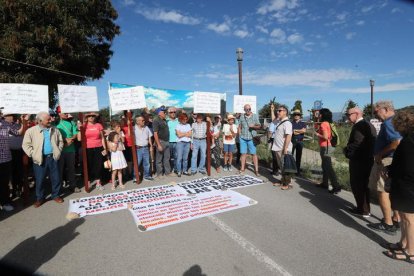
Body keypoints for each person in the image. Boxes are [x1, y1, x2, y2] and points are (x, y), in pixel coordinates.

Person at [383, 110, 414, 263]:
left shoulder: (409, 142)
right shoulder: (408, 139)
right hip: (405, 184)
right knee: (403, 216)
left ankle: (411, 252)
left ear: (401, 124)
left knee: (409, 218)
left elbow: (407, 167)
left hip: (408, 185)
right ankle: (403, 243)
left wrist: (391, 170)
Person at [367, 101, 402, 235]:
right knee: (391, 191)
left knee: (383, 191)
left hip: (386, 160)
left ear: (386, 109)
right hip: (395, 160)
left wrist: (380, 154)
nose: (375, 115)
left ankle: (387, 223)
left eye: (376, 112)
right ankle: (395, 218)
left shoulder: (388, 123)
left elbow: (396, 142)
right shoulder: (397, 121)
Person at [22, 111, 64, 208]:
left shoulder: (55, 129)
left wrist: (58, 151)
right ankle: (40, 198)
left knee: (56, 178)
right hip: (40, 159)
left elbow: (60, 141)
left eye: (50, 118)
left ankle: (56, 195)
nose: (51, 120)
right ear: (40, 121)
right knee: (40, 180)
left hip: (53, 157)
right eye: (48, 119)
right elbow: (25, 144)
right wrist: (33, 154)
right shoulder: (31, 131)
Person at [343, 107, 377, 217]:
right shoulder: (368, 124)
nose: (347, 117)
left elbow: (357, 143)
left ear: (356, 114)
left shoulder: (359, 126)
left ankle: (362, 209)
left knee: (357, 184)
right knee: (364, 184)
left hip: (359, 160)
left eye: (349, 114)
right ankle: (365, 208)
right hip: (367, 159)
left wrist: (346, 151)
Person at [0, 112, 26, 211]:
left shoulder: (5, 124)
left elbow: (18, 133)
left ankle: (5, 202)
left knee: (4, 182)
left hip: (6, 158)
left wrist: (24, 121)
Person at [314, 108, 341, 194]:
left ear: (322, 115)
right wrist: (317, 120)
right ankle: (325, 183)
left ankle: (336, 186)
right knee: (325, 165)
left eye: (320, 114)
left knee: (328, 166)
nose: (319, 115)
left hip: (325, 147)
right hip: (329, 146)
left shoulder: (323, 124)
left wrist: (317, 134)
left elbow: (325, 137)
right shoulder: (329, 123)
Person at [56, 107, 81, 193]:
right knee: (59, 170)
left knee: (71, 169)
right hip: (60, 150)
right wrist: (64, 140)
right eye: (64, 113)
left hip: (71, 150)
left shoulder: (71, 122)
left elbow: (75, 133)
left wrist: (71, 139)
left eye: (67, 113)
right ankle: (58, 188)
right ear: (59, 113)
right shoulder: (55, 123)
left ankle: (73, 186)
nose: (66, 114)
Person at [270, 105, 293, 190]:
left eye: (279, 111)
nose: (278, 112)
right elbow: (273, 120)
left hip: (283, 148)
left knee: (285, 167)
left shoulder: (287, 123)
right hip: (278, 147)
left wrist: (285, 148)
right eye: (277, 110)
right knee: (281, 167)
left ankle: (287, 184)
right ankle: (283, 181)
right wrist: (272, 110)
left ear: (285, 112)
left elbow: (288, 136)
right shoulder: (280, 121)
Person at [84, 112, 107, 190]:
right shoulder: (84, 126)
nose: (91, 117)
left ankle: (98, 183)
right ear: (86, 118)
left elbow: (102, 138)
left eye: (93, 116)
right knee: (88, 165)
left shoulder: (98, 125)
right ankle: (88, 182)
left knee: (98, 165)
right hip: (88, 148)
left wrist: (105, 148)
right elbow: (80, 138)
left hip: (98, 147)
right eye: (89, 116)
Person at [238, 104, 261, 176]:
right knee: (243, 154)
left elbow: (259, 126)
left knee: (254, 154)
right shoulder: (242, 116)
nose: (248, 110)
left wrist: (253, 126)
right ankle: (242, 169)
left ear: (251, 109)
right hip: (243, 138)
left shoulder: (255, 116)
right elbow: (239, 126)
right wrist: (239, 135)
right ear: (244, 110)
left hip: (251, 138)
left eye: (249, 109)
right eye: (246, 109)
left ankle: (256, 170)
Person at [153, 106, 171, 177]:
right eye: (164, 112)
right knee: (159, 159)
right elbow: (155, 133)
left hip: (166, 141)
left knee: (167, 158)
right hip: (160, 142)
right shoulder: (156, 120)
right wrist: (158, 144)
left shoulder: (164, 120)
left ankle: (167, 172)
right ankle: (159, 174)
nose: (165, 113)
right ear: (159, 113)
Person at [134, 115, 154, 181]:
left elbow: (149, 138)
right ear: (137, 122)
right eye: (142, 120)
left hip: (145, 148)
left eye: (144, 120)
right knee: (137, 163)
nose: (144, 121)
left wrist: (151, 146)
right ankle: (135, 177)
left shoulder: (146, 128)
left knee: (147, 163)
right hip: (138, 148)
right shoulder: (133, 128)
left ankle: (146, 176)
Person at [291, 109, 307, 175]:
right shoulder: (291, 123)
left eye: (298, 114)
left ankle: (297, 171)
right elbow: (292, 132)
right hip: (292, 141)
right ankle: (290, 170)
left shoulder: (303, 123)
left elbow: (304, 131)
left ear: (300, 116)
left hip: (300, 142)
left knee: (298, 157)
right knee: (290, 156)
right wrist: (300, 131)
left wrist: (296, 131)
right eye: (295, 114)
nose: (296, 116)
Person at [268, 104, 280, 176]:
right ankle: (276, 170)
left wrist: (269, 136)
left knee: (276, 156)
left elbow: (270, 132)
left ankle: (276, 170)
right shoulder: (275, 120)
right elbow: (273, 119)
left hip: (276, 139)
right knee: (275, 155)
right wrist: (272, 109)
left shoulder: (279, 121)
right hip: (274, 139)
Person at [167, 107, 179, 174]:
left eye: (174, 112)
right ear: (168, 113)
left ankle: (176, 169)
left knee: (176, 156)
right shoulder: (166, 121)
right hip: (169, 142)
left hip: (177, 141)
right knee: (169, 157)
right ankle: (170, 169)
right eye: (171, 112)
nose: (173, 113)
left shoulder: (178, 120)